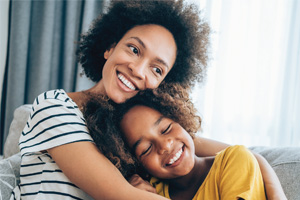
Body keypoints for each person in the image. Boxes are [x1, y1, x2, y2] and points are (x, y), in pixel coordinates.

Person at [13, 0, 285, 199]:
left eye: (157, 69)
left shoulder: (133, 133)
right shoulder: (56, 108)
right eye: (134, 49)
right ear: (109, 47)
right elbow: (121, 195)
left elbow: (245, 155)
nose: (138, 70)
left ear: (162, 83)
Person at [84, 85, 286, 200]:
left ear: (181, 120)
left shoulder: (234, 161)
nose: (164, 146)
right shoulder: (150, 191)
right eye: (146, 149)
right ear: (137, 164)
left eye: (166, 129)